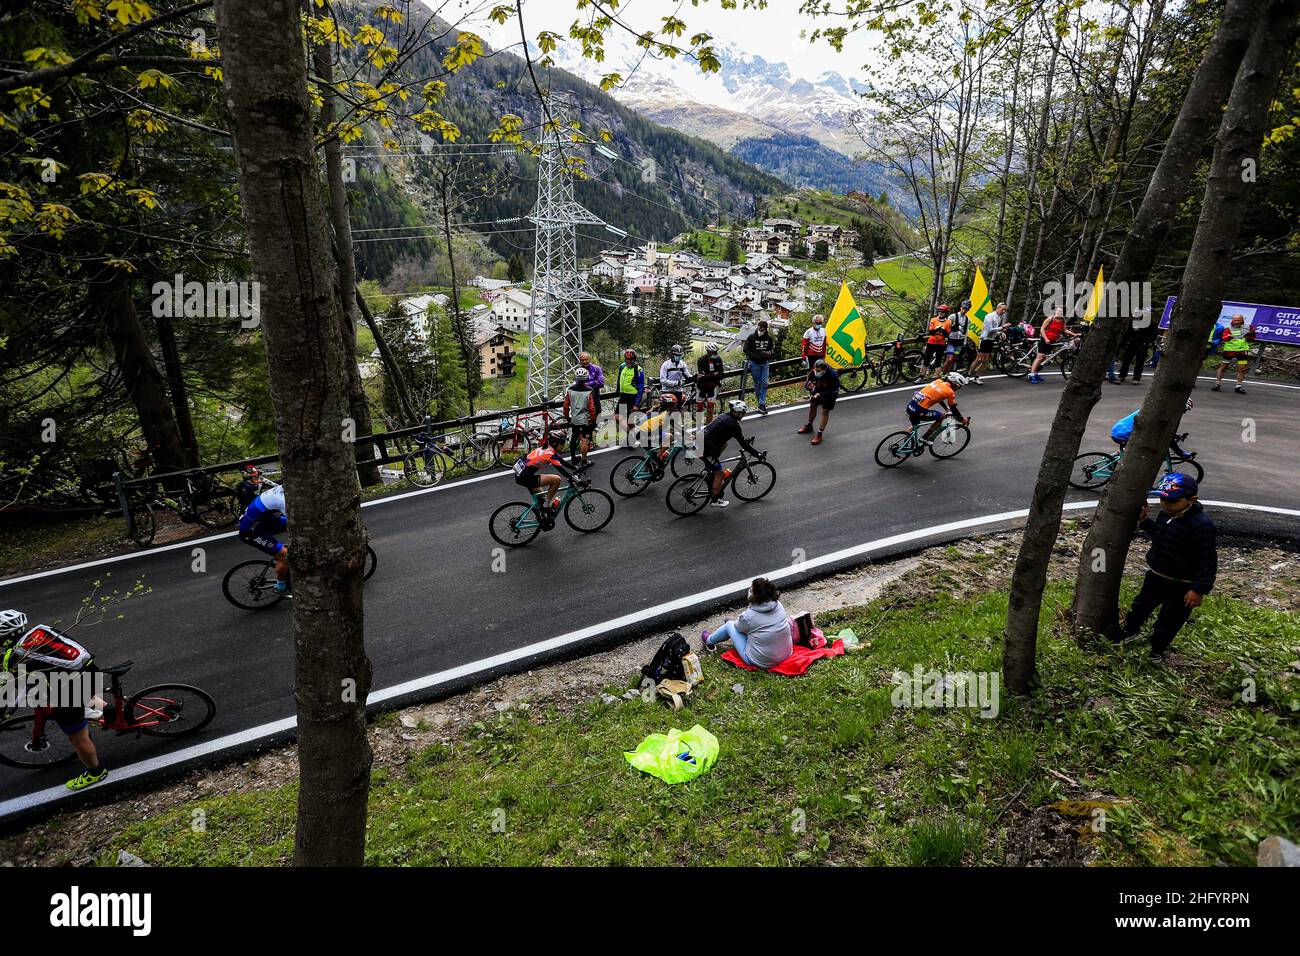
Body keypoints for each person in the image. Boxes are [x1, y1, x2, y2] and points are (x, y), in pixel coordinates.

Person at [0, 609, 108, 791]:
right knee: (68, 690)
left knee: (77, 737)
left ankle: (96, 773)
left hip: (72, 686)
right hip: (89, 671)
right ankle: (104, 708)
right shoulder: (39, 631)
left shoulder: (16, 658)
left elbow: (10, 692)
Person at [1121, 472, 1216, 659]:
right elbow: (1159, 535)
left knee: (1170, 619)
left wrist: (1198, 589)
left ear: (1192, 500)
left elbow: (1208, 560)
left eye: (1172, 502)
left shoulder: (1201, 525)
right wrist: (1144, 521)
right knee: (1140, 606)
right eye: (1163, 500)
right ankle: (1130, 632)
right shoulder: (1166, 515)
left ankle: (1156, 649)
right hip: (1156, 575)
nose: (1166, 505)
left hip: (1182, 583)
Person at [698, 577, 793, 669]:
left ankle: (708, 641)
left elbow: (738, 627)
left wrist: (736, 621)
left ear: (754, 597)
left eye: (751, 590)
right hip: (786, 653)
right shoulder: (778, 605)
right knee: (744, 626)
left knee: (729, 625)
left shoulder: (749, 616)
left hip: (761, 661)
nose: (749, 590)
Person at [701, 399, 762, 508]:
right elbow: (743, 444)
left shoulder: (724, 416)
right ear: (738, 412)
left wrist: (745, 442)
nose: (743, 415)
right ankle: (715, 500)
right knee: (719, 473)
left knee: (724, 444)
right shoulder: (734, 425)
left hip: (701, 441)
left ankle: (708, 468)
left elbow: (736, 439)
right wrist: (758, 454)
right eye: (743, 413)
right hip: (706, 449)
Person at [512, 431, 578, 517]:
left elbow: (562, 462)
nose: (564, 445)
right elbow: (561, 470)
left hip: (522, 473)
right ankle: (546, 507)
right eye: (562, 443)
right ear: (555, 443)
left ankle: (542, 518)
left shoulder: (547, 448)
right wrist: (573, 478)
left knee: (541, 498)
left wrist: (575, 468)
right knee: (556, 480)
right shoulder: (550, 454)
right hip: (525, 476)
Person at [238, 482, 289, 592]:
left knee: (289, 525)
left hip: (262, 522)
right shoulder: (283, 500)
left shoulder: (281, 489)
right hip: (250, 531)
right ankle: (281, 586)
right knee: (285, 555)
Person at [906, 372, 969, 445]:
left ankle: (905, 445)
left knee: (915, 427)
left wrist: (946, 408)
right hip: (919, 411)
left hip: (910, 407)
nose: (958, 388)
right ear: (955, 384)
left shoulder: (938, 381)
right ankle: (925, 438)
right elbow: (953, 408)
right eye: (959, 387)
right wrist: (962, 419)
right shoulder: (950, 392)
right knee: (942, 417)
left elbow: (939, 397)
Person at [1027, 308, 1078, 383]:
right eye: (1057, 312)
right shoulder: (1050, 319)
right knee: (1039, 357)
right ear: (1055, 312)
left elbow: (1065, 330)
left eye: (1060, 312)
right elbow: (1042, 329)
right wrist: (1046, 339)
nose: (1058, 313)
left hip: (1052, 341)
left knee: (1044, 358)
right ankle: (1031, 374)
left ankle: (1035, 373)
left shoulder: (1062, 321)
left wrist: (1074, 334)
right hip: (1045, 340)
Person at [798, 359, 839, 445]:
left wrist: (820, 394)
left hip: (830, 393)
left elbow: (834, 390)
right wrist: (808, 387)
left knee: (825, 411)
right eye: (816, 370)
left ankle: (819, 434)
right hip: (818, 390)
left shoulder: (832, 375)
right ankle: (809, 425)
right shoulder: (814, 372)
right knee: (813, 405)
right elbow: (808, 383)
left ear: (824, 369)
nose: (817, 372)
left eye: (819, 371)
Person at [1211, 313, 1255, 394]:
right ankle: (1217, 383)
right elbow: (1224, 338)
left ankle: (1239, 386)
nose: (1236, 322)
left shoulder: (1249, 327)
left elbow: (1253, 337)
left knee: (1242, 369)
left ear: (1242, 320)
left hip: (1242, 351)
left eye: (1238, 320)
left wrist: (1250, 338)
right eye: (1234, 320)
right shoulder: (1228, 328)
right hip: (1229, 351)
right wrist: (1228, 337)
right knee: (1223, 367)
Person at [562, 366, 598, 466]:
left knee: (574, 437)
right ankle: (584, 461)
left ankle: (573, 458)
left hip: (575, 419)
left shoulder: (570, 390)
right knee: (584, 440)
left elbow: (565, 406)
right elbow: (591, 408)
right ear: (586, 378)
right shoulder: (589, 390)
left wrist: (567, 417)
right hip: (586, 420)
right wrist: (593, 419)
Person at [966, 302, 1006, 384]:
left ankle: (977, 377)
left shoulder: (999, 317)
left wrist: (1000, 333)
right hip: (984, 339)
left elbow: (994, 331)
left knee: (986, 360)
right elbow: (989, 329)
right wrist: (1002, 327)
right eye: (1003, 309)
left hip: (991, 340)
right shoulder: (989, 316)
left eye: (1005, 310)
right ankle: (968, 376)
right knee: (978, 359)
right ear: (998, 308)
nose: (1004, 311)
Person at [743, 320, 776, 414]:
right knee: (757, 384)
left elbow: (771, 349)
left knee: (764, 383)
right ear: (757, 327)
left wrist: (768, 354)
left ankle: (762, 403)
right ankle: (760, 403)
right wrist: (754, 356)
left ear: (766, 329)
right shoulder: (751, 337)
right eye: (759, 329)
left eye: (763, 329)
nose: (761, 331)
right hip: (754, 363)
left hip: (765, 363)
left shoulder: (769, 338)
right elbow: (745, 349)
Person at [1116, 310, 1157, 383]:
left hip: (1143, 343)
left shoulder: (1152, 323)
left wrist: (1147, 342)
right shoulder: (1134, 321)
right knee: (1126, 360)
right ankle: (1122, 375)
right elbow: (1128, 333)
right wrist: (1123, 343)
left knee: (1140, 361)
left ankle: (1136, 377)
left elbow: (1154, 335)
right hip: (1133, 343)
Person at [614, 348, 645, 435]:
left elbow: (641, 387)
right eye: (627, 359)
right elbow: (619, 378)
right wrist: (618, 391)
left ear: (634, 359)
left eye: (630, 360)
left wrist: (636, 404)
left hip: (633, 397)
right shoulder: (622, 366)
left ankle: (634, 438)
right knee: (617, 417)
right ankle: (632, 436)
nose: (628, 361)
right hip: (624, 395)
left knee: (630, 421)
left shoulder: (638, 370)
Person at [695, 342, 725, 423]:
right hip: (702, 386)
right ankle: (699, 425)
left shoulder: (718, 359)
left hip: (713, 386)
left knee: (710, 408)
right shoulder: (701, 360)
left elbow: (721, 375)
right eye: (713, 352)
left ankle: (709, 426)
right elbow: (702, 376)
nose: (715, 354)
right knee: (699, 407)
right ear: (708, 352)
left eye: (716, 352)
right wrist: (714, 375)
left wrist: (710, 376)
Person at [942, 301, 971, 375]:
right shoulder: (953, 316)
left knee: (954, 359)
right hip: (951, 341)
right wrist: (945, 338)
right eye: (963, 308)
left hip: (959, 342)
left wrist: (964, 342)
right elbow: (946, 327)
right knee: (949, 359)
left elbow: (966, 331)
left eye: (966, 309)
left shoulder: (968, 319)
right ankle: (943, 374)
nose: (964, 311)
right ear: (961, 307)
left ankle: (947, 374)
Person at [659, 344, 692, 408]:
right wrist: (677, 383)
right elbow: (663, 380)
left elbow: (687, 375)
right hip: (667, 391)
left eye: (680, 355)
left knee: (677, 410)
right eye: (677, 355)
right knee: (665, 410)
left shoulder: (683, 364)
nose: (679, 357)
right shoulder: (665, 365)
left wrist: (693, 378)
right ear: (672, 355)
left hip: (678, 391)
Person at [924, 305, 953, 371]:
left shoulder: (948, 322)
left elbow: (947, 334)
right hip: (931, 341)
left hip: (941, 343)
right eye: (939, 311)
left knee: (938, 361)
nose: (940, 313)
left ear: (946, 313)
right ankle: (921, 376)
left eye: (942, 312)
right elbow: (931, 332)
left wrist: (943, 330)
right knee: (926, 360)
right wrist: (937, 330)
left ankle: (937, 377)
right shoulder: (933, 320)